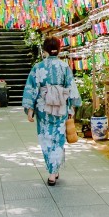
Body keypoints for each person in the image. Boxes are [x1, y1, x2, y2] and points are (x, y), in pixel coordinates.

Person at [22, 37, 81, 185]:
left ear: (45, 50)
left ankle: (52, 172)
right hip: (61, 107)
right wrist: (72, 107)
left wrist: (30, 109)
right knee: (58, 139)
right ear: (59, 49)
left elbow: (32, 88)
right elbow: (71, 87)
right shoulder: (64, 67)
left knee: (46, 138)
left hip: (44, 107)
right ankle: (55, 169)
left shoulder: (38, 67)